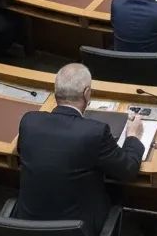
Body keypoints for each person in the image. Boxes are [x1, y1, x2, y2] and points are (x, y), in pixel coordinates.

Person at [14, 63, 144, 236]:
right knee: (115, 190)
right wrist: (133, 136)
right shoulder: (95, 132)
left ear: (55, 92)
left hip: (27, 227)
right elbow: (128, 169)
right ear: (87, 93)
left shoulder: (29, 121)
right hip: (77, 230)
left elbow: (21, 151)